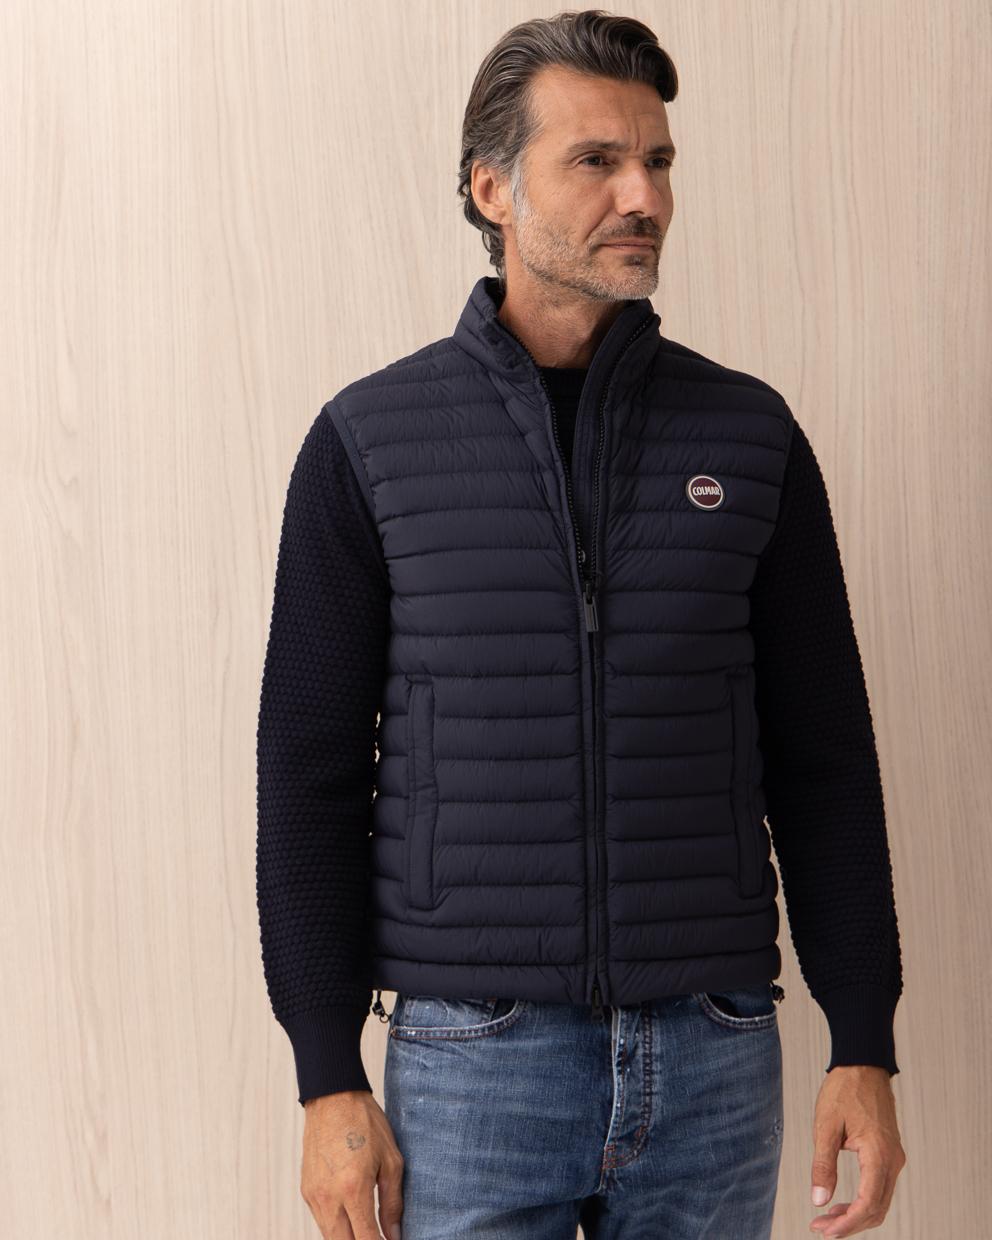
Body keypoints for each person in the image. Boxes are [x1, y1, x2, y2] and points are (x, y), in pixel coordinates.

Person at [256, 11, 906, 1239]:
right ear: (490, 189)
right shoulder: (369, 442)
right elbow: (308, 771)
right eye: (596, 161)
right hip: (472, 1058)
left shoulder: (747, 437)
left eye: (656, 161)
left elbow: (823, 759)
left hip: (712, 1047)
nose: (641, 195)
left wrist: (861, 1040)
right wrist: (326, 1073)